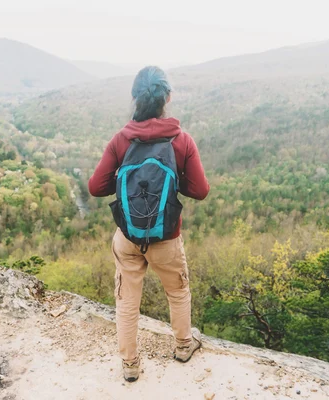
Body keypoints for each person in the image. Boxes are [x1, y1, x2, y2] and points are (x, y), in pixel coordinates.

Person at [88, 66, 210, 382]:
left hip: (127, 238)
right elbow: (200, 190)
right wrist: (171, 180)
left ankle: (130, 366)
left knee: (127, 302)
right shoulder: (181, 141)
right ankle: (184, 346)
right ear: (168, 97)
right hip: (167, 237)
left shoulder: (121, 140)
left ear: (134, 98)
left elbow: (96, 187)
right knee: (178, 291)